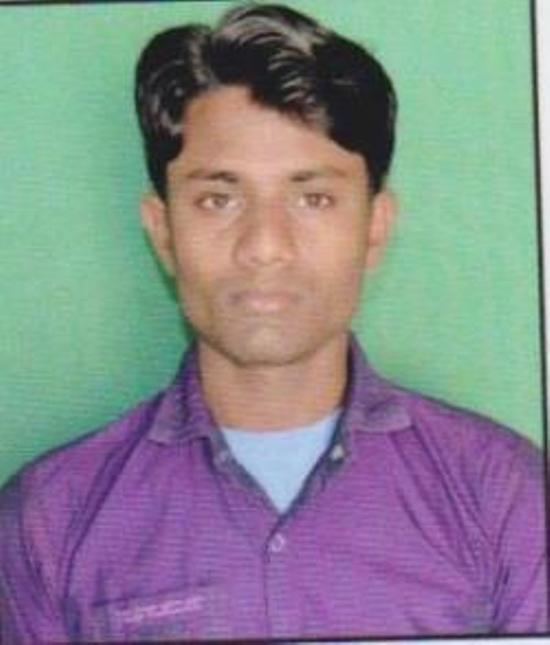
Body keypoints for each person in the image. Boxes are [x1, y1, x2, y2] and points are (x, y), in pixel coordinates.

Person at [0, 3, 546, 642]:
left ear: (374, 227)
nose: (265, 245)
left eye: (314, 198)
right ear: (163, 232)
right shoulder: (47, 524)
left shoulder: (507, 498)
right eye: (218, 199)